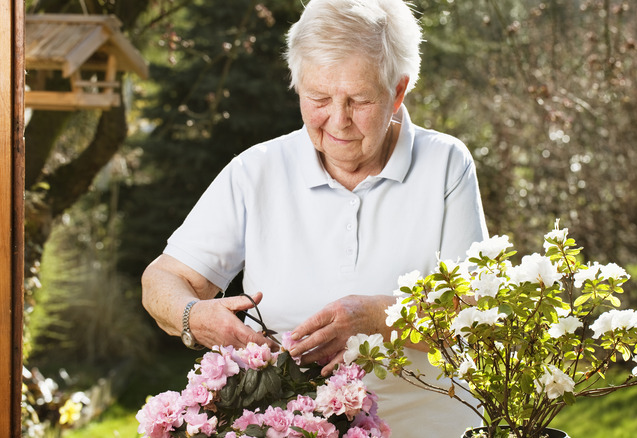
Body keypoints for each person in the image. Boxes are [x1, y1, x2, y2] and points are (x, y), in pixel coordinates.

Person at [141, 0, 488, 435]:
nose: (338, 121)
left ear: (397, 93)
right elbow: (162, 280)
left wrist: (377, 318)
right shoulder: (257, 170)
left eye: (359, 100)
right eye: (319, 98)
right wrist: (195, 316)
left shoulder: (444, 164)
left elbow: (477, 314)